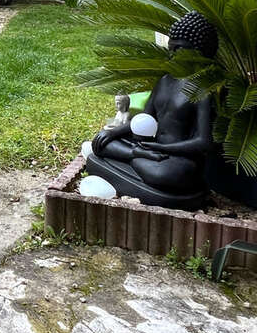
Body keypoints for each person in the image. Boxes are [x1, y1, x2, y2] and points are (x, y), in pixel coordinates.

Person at [87, 11, 219, 210]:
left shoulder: (203, 89)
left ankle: (136, 157)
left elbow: (204, 142)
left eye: (179, 50)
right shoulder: (165, 81)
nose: (172, 55)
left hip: (177, 159)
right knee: (101, 142)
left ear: (199, 52)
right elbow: (144, 120)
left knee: (165, 174)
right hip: (150, 147)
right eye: (171, 49)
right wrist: (114, 132)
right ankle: (136, 154)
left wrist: (162, 148)